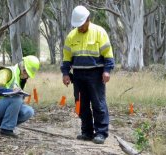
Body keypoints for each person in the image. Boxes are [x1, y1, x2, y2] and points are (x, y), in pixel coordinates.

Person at [61, 5, 115, 144]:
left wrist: (107, 71)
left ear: (88, 19)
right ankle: (87, 132)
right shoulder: (71, 36)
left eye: (81, 25)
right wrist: (66, 74)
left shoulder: (99, 32)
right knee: (80, 104)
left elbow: (108, 55)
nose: (79, 28)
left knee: (98, 104)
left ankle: (101, 133)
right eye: (77, 25)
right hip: (78, 75)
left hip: (96, 74)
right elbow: (66, 58)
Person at [0, 55, 40, 138]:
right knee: (17, 98)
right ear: (22, 66)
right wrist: (12, 92)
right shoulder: (7, 71)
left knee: (29, 111)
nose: (27, 76)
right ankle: (6, 130)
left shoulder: (20, 79)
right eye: (26, 72)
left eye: (28, 74)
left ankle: (2, 124)